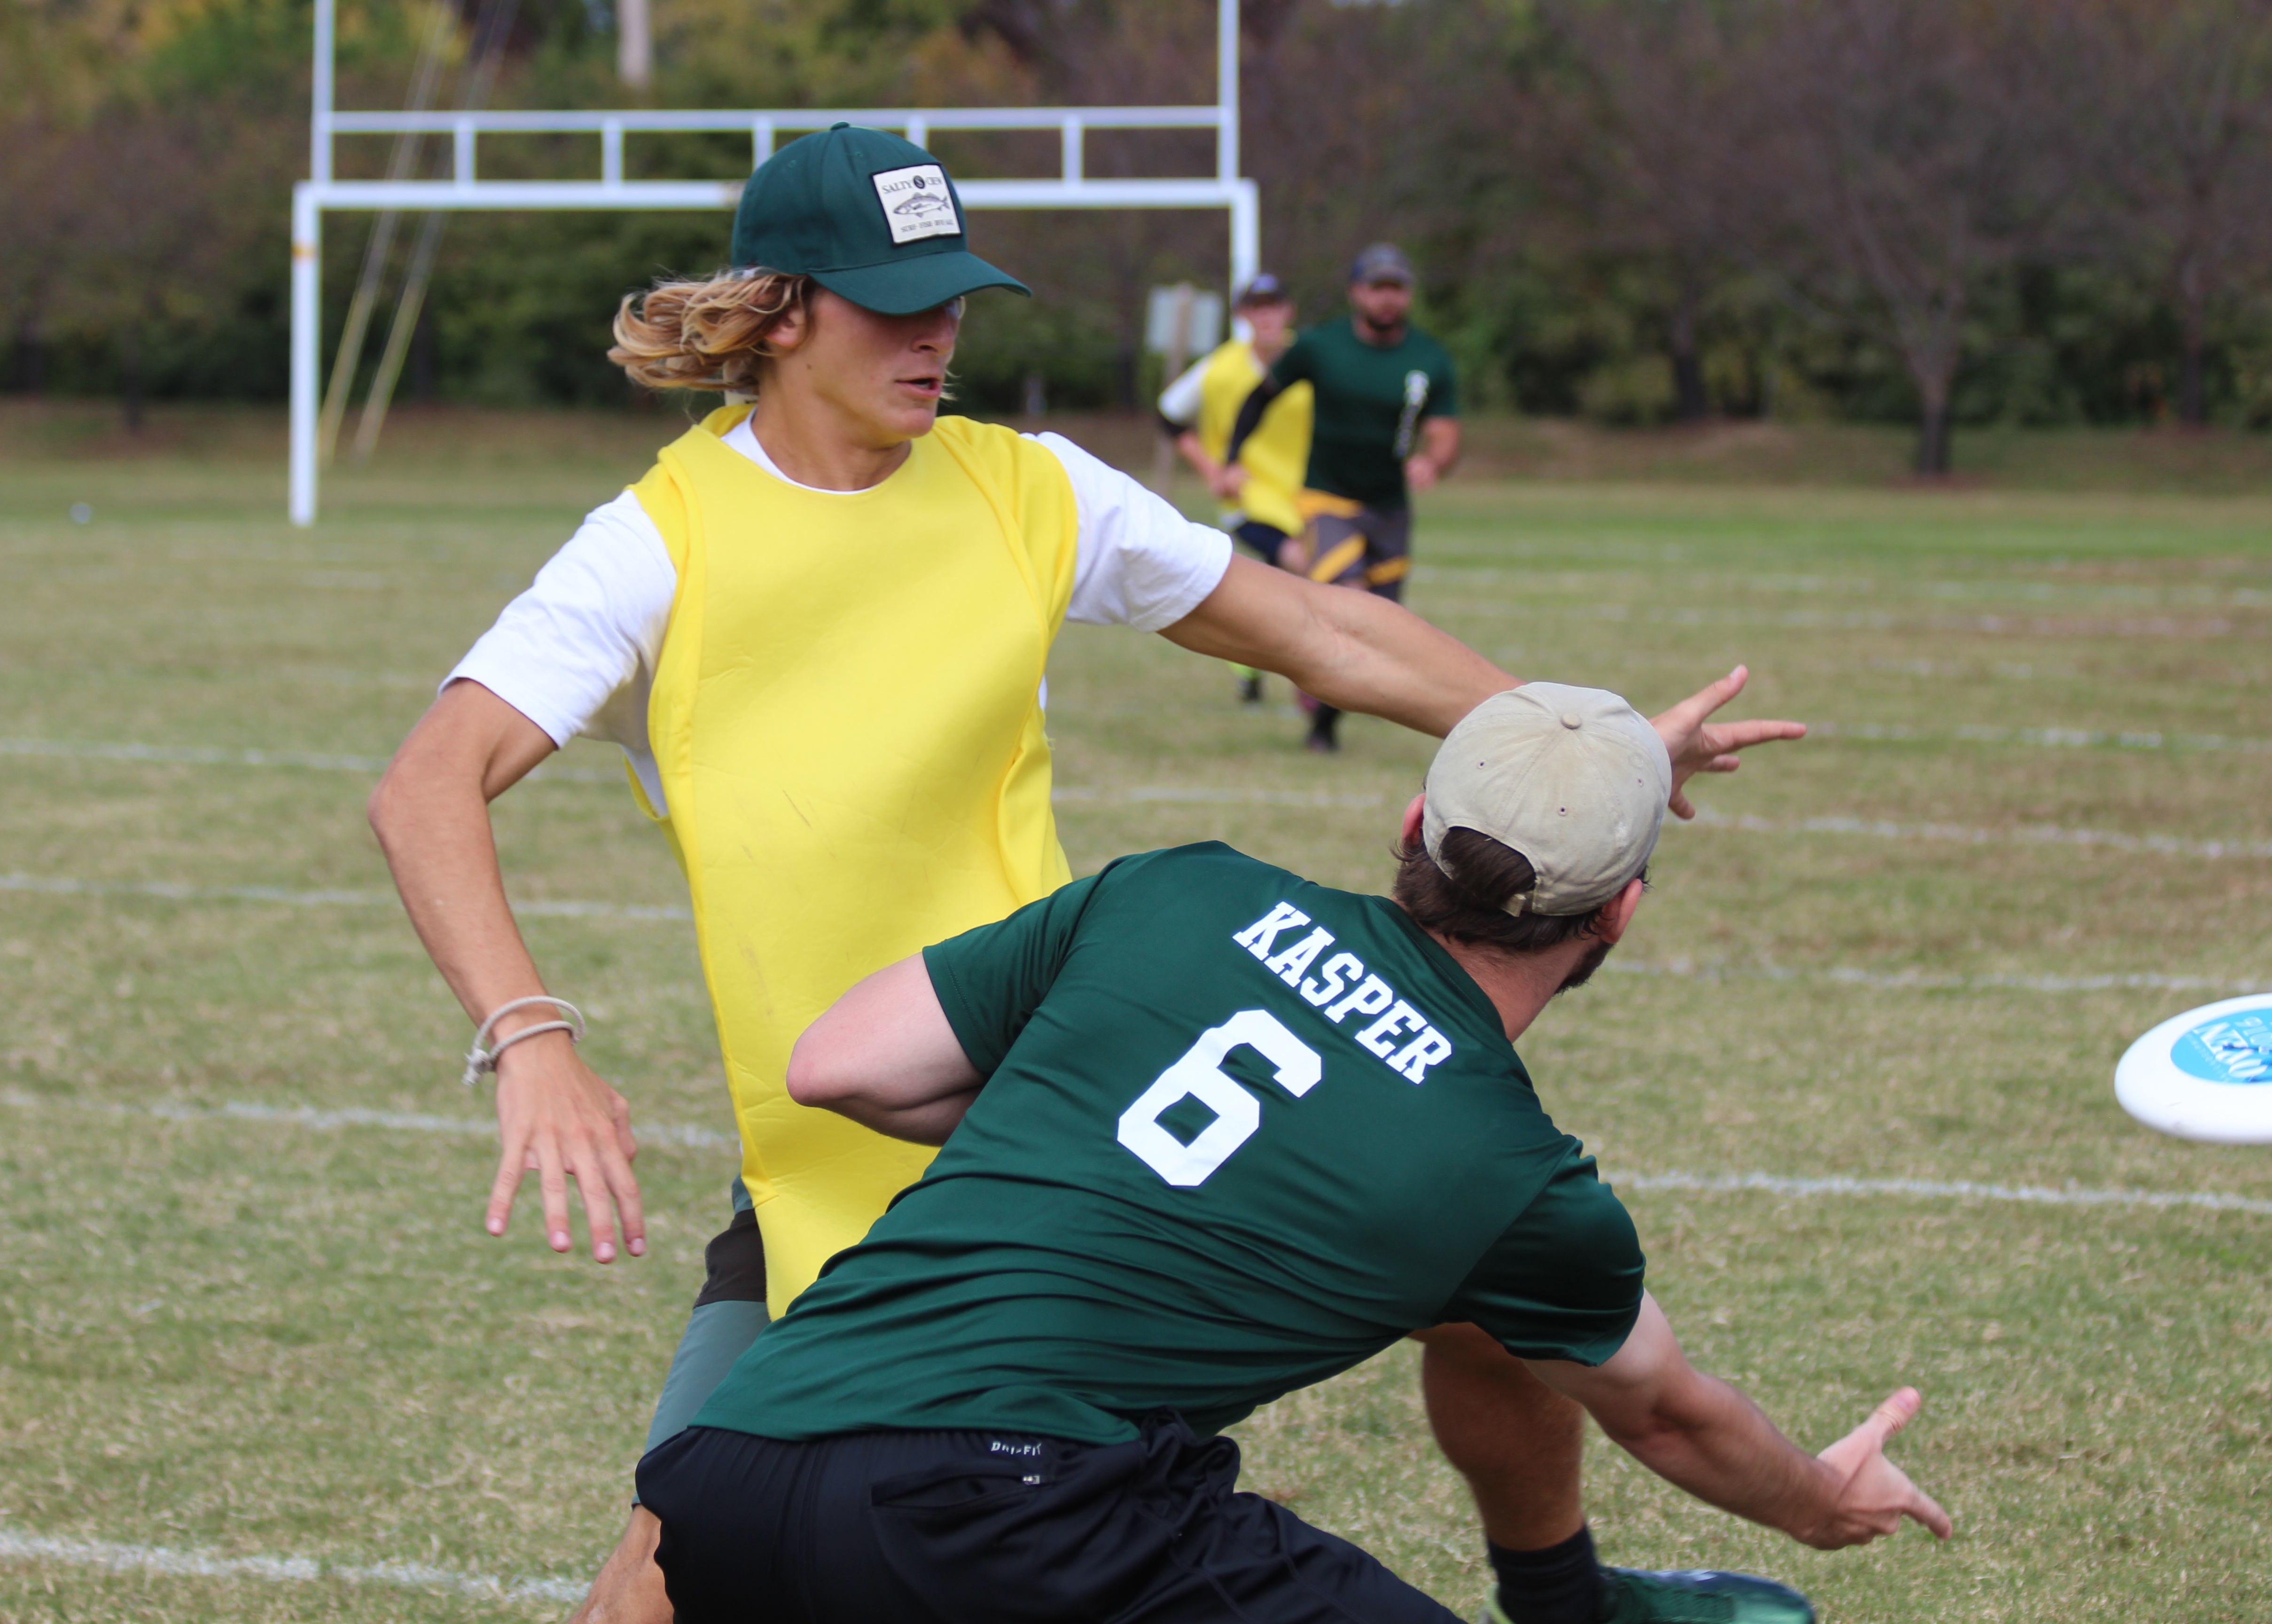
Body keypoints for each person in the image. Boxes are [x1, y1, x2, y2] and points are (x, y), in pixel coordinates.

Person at [366, 125, 1806, 1624]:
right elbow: (426, 787)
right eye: (896, 304)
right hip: (838, 1153)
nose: (939, 335)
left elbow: (1322, 632)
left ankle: (1568, 1601)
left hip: (1053, 1120)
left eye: (954, 299)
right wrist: (531, 1037)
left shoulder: (1029, 488)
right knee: (665, 1580)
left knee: (1489, 1288)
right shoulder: (654, 548)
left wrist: (1581, 756)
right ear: (779, 313)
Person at [639, 683, 1951, 1624]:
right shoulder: (1512, 1176)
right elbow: (1666, 1410)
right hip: (1008, 1508)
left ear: (1412, 823)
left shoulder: (1179, 889)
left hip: (733, 1472)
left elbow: (841, 1065)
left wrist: (1080, 1118)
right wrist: (1817, 1501)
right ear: (1621, 915)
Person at [1220, 242, 1460, 752]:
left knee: (1386, 625)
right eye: (1378, 287)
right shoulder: (1320, 347)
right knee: (1351, 601)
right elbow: (1261, 398)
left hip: (1390, 507)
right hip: (1326, 500)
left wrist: (1433, 462)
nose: (1387, 298)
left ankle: (1329, 715)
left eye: (1397, 288)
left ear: (1409, 295)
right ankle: (1320, 722)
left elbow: (1445, 431)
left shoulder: (1429, 358)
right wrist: (1235, 456)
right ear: (1356, 292)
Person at [1157, 271, 1313, 705]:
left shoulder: (1309, 359)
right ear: (1243, 315)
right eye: (1256, 308)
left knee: (1281, 587)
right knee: (1299, 563)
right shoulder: (1221, 369)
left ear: (1288, 311)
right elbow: (1168, 416)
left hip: (1304, 496)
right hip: (1248, 499)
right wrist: (1213, 471)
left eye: (1273, 306)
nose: (1266, 317)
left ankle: (1250, 664)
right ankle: (1311, 679)